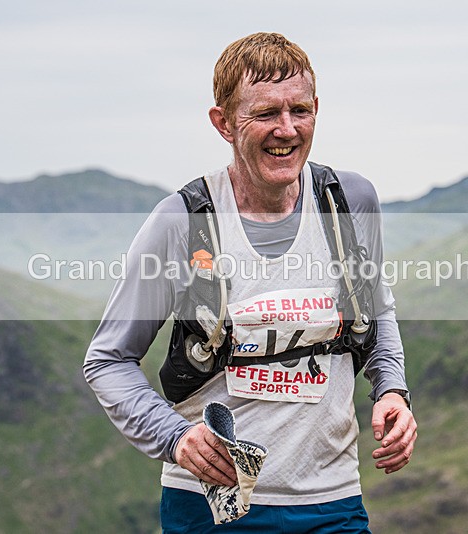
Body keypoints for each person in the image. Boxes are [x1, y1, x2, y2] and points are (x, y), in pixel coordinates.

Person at [84, 32, 417, 533]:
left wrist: (392, 389)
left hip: (334, 503)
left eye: (299, 111)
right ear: (223, 122)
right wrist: (174, 437)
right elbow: (108, 359)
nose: (286, 130)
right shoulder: (182, 221)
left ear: (316, 110)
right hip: (214, 509)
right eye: (265, 114)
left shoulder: (349, 201)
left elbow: (375, 312)